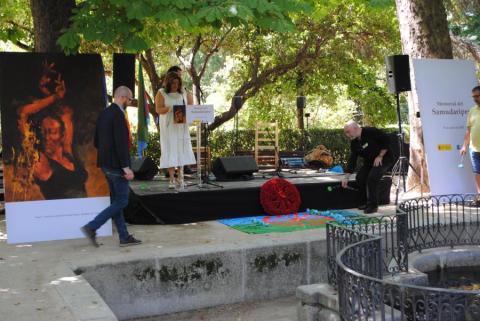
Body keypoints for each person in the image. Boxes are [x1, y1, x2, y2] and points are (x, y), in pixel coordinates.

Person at [81, 86, 142, 247]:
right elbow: (121, 144)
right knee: (121, 201)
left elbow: (96, 142)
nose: (129, 102)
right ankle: (92, 226)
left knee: (116, 202)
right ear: (122, 97)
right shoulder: (118, 116)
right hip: (117, 166)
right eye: (129, 100)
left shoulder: (104, 114)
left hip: (106, 165)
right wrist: (126, 167)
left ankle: (123, 236)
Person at [17, 62, 88, 200]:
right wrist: (54, 97)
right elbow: (23, 113)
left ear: (62, 135)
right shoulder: (40, 161)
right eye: (44, 132)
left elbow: (67, 113)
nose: (47, 137)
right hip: (59, 217)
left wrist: (51, 92)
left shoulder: (68, 152)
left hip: (82, 216)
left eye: (52, 132)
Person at [341, 120, 393, 214]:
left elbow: (387, 140)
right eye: (346, 133)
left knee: (372, 177)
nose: (347, 135)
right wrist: (346, 177)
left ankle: (373, 205)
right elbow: (353, 159)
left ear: (355, 128)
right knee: (360, 177)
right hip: (369, 162)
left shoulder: (370, 131)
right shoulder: (354, 142)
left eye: (348, 132)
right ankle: (364, 202)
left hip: (384, 158)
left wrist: (380, 155)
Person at [155, 72, 196, 189]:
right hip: (168, 126)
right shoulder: (161, 93)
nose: (175, 85)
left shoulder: (183, 92)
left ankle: (181, 177)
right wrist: (170, 109)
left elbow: (190, 105)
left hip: (180, 125)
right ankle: (172, 178)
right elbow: (158, 109)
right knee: (170, 149)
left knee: (181, 149)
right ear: (168, 82)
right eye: (173, 83)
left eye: (177, 83)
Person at [460, 85, 480, 205]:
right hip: (474, 149)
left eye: (477, 96)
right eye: (473, 97)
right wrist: (464, 146)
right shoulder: (472, 111)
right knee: (478, 173)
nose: (475, 99)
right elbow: (468, 131)